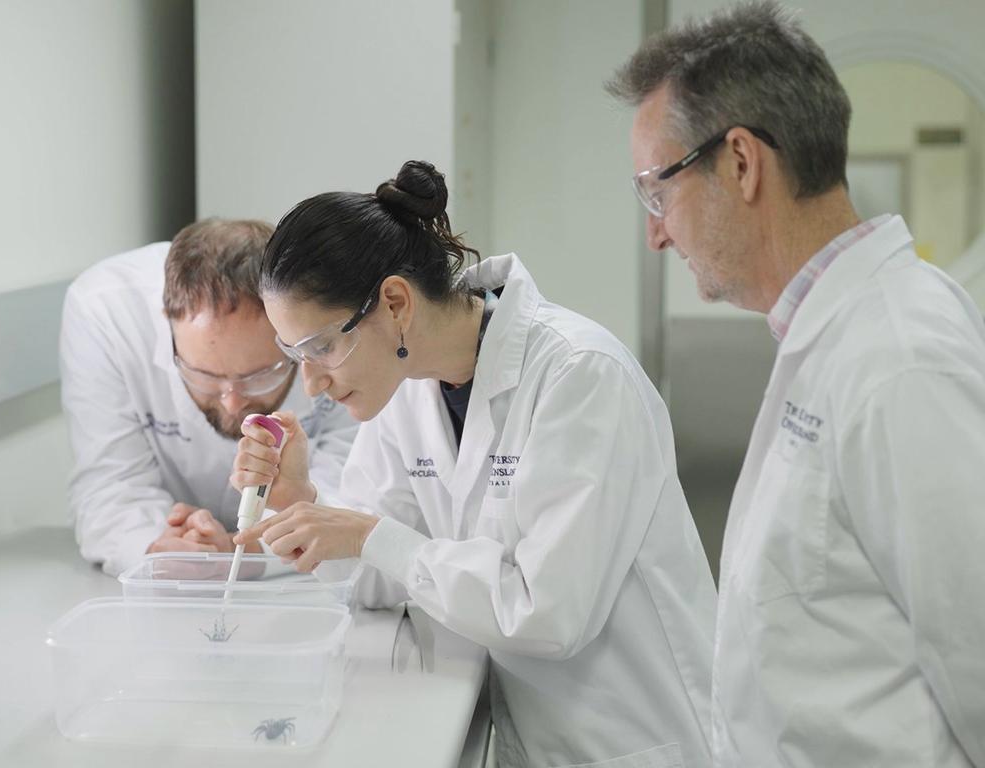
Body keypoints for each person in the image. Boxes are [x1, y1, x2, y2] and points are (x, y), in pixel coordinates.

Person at [229, 160, 715, 768]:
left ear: (396, 303)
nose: (312, 383)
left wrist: (368, 535)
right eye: (294, 353)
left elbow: (548, 613)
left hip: (627, 738)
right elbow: (380, 578)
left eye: (322, 346)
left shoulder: (580, 375)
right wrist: (303, 502)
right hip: (520, 735)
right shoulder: (404, 387)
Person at [608, 2, 985, 766]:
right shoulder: (829, 333)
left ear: (742, 163)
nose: (655, 231)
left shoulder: (901, 360)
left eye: (658, 190)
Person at [60, 219, 358, 577]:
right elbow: (110, 484)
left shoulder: (330, 316)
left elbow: (355, 488)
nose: (233, 403)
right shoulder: (107, 311)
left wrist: (251, 552)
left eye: (259, 377)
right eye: (205, 377)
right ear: (167, 326)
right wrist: (158, 548)